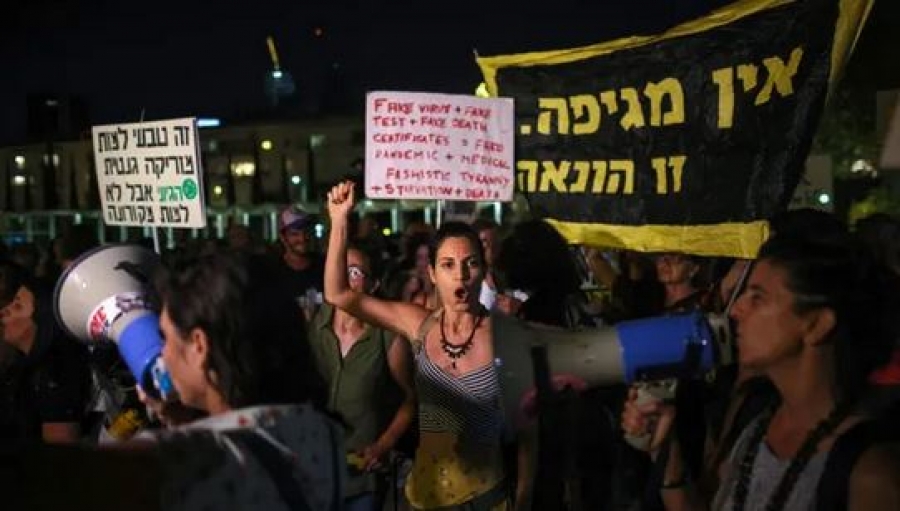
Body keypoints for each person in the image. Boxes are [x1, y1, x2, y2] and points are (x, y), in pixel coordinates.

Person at [7, 250, 345, 511]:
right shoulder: (322, 430)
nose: (163, 354)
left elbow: (47, 481)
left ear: (199, 346)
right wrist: (183, 421)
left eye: (166, 338)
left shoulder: (198, 455)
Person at [621, 230, 900, 511]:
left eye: (758, 298)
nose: (735, 310)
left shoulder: (871, 475)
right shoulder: (756, 429)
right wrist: (667, 457)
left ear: (817, 325)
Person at [324, 181, 533, 510]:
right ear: (432, 274)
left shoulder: (504, 337)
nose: (460, 276)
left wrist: (522, 500)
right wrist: (339, 221)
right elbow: (338, 294)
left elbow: (528, 434)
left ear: (483, 271)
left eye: (470, 264)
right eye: (448, 265)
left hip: (484, 500)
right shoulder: (419, 325)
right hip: (422, 498)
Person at [309, 245, 416, 511]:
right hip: (316, 470)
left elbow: (411, 399)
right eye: (340, 270)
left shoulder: (388, 336)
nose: (344, 279)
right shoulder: (314, 326)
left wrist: (383, 445)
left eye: (355, 272)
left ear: (372, 284)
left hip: (362, 476)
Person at [0, 260, 91, 443]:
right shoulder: (24, 365)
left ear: (43, 322)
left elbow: (59, 454)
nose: (4, 311)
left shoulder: (56, 377)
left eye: (17, 307)